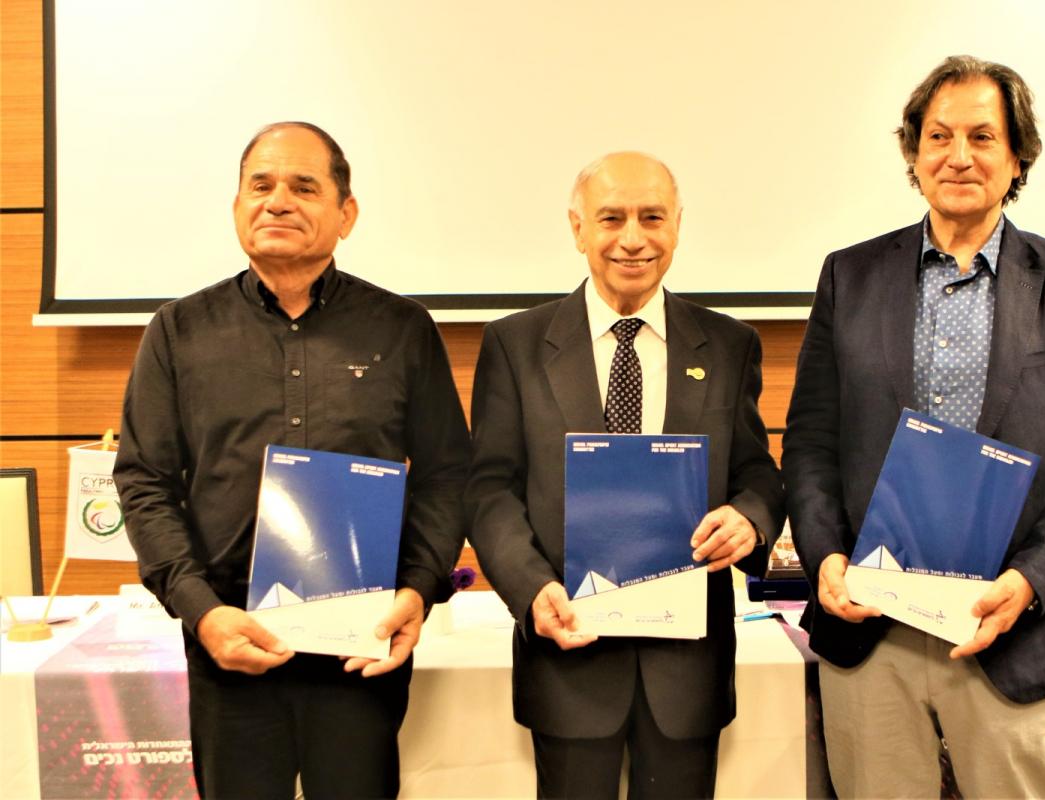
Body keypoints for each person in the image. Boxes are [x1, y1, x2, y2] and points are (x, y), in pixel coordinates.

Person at [782, 55, 1045, 798]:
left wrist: (1030, 582)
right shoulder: (850, 277)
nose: (959, 155)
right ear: (913, 153)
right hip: (872, 632)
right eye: (938, 135)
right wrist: (825, 559)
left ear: (1017, 156)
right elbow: (811, 443)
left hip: (1011, 632)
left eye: (983, 135)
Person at [113, 121, 470, 799]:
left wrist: (416, 592)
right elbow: (146, 484)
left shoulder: (402, 329)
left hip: (360, 643)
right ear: (237, 205)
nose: (278, 201)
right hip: (230, 643)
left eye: (304, 186)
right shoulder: (178, 332)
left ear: (346, 213)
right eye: (261, 185)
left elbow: (448, 476)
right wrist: (202, 612)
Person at [466, 151, 784, 798]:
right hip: (568, 654)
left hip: (686, 668)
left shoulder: (728, 346)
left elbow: (758, 474)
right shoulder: (515, 345)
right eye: (611, 218)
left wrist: (749, 520)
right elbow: (489, 491)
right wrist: (531, 590)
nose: (633, 238)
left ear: (677, 226)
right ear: (578, 227)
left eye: (652, 217)